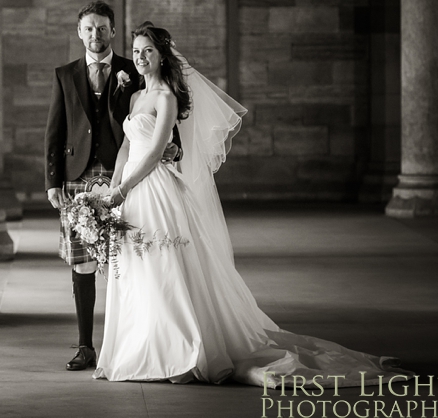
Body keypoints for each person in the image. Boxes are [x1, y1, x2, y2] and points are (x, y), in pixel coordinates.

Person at [93, 22, 410, 387]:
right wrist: (113, 189)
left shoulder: (166, 97)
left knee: (165, 270)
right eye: (135, 51)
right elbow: (127, 148)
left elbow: (153, 155)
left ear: (162, 55)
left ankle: (179, 352)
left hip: (156, 190)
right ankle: (137, 348)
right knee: (135, 269)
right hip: (130, 192)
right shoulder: (135, 98)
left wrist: (124, 188)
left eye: (147, 50)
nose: (140, 57)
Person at [44, 2, 182, 372]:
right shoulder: (64, 74)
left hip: (126, 176)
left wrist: (174, 147)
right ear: (79, 32)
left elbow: (161, 120)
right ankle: (86, 347)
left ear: (113, 31)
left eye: (102, 28)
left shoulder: (133, 68)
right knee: (82, 262)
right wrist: (52, 181)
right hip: (76, 177)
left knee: (132, 259)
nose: (96, 35)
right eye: (89, 28)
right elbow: (55, 130)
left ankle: (131, 341)